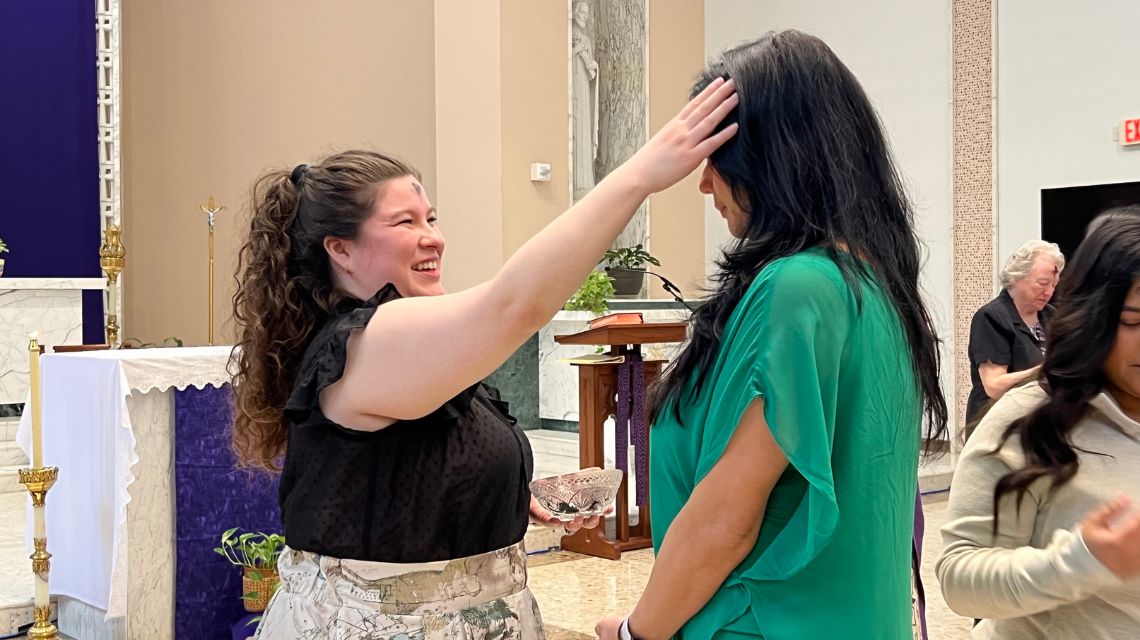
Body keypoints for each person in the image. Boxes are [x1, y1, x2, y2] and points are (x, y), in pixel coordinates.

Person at [229, 81, 739, 639]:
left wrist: (506, 499)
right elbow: (516, 305)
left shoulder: (407, 343)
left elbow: (409, 480)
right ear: (340, 248)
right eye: (405, 223)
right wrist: (639, 175)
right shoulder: (361, 343)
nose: (433, 239)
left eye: (432, 219)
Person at [593, 30, 947, 640]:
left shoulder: (797, 287)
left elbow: (726, 518)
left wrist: (636, 631)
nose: (704, 184)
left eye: (716, 157)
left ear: (772, 157)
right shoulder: (876, 284)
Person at [936, 207, 1140, 639]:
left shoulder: (1043, 322)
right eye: (1134, 322)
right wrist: (1081, 561)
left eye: (1052, 282)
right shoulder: (1027, 416)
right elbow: (959, 577)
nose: (1047, 290)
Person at [965, 240, 1065, 427]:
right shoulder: (992, 317)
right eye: (1043, 283)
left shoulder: (1052, 316)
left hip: (1037, 424)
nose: (1049, 292)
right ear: (1017, 277)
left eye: (1054, 285)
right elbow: (994, 386)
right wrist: (1044, 370)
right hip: (997, 427)